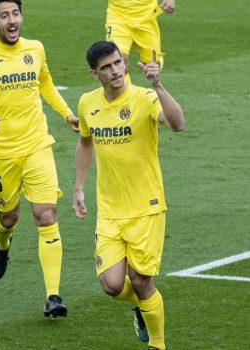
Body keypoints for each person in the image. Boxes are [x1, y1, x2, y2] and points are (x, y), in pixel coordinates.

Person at [0, 0, 79, 318]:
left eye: (16, 14)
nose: (12, 20)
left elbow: (45, 83)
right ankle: (2, 246)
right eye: (4, 15)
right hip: (1, 154)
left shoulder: (35, 48)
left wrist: (67, 114)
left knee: (46, 214)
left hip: (38, 145)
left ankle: (53, 297)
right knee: (9, 216)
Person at [73, 41, 185, 350]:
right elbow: (85, 141)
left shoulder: (145, 98)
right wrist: (79, 187)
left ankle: (158, 344)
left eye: (118, 63)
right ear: (95, 74)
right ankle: (142, 307)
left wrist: (159, 85)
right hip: (109, 210)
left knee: (140, 280)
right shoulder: (87, 103)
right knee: (111, 285)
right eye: (107, 67)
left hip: (146, 208)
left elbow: (177, 124)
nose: (115, 71)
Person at [105, 0, 175, 83]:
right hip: (118, 17)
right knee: (118, 59)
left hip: (146, 17)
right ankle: (126, 94)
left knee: (152, 66)